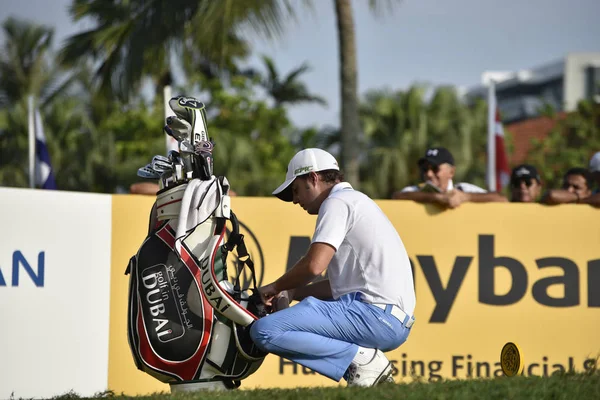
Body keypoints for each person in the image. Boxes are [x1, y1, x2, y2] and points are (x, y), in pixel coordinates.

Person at [249, 148, 416, 387]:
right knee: (275, 326)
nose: (295, 200)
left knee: (264, 331)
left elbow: (315, 266)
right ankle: (365, 368)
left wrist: (275, 286)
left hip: (375, 316)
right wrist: (295, 292)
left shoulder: (336, 202)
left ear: (313, 178)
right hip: (393, 322)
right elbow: (339, 287)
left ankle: (363, 361)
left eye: (296, 190)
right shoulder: (356, 200)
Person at [392, 147, 507, 207]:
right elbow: (397, 197)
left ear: (451, 172)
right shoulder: (416, 191)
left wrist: (466, 197)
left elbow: (502, 199)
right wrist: (436, 197)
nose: (429, 174)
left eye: (435, 169)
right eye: (425, 169)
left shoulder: (463, 189)